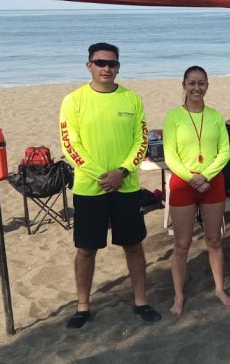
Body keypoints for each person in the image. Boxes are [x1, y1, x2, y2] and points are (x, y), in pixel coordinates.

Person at [58, 42, 161, 329]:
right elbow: (70, 145)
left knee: (133, 246)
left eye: (111, 63)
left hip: (126, 187)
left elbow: (141, 141)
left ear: (118, 67)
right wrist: (102, 176)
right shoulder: (73, 100)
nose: (106, 68)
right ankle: (82, 306)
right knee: (86, 249)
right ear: (89, 65)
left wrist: (122, 172)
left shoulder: (132, 99)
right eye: (100, 63)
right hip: (90, 189)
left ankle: (141, 302)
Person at [162, 66, 230, 317]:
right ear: (184, 85)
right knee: (181, 243)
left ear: (207, 86)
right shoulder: (173, 117)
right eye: (192, 83)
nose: (196, 88)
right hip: (184, 184)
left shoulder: (215, 116)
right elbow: (170, 156)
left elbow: (224, 152)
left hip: (212, 182)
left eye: (201, 83)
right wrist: (192, 178)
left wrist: (205, 176)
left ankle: (219, 289)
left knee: (214, 240)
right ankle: (179, 296)